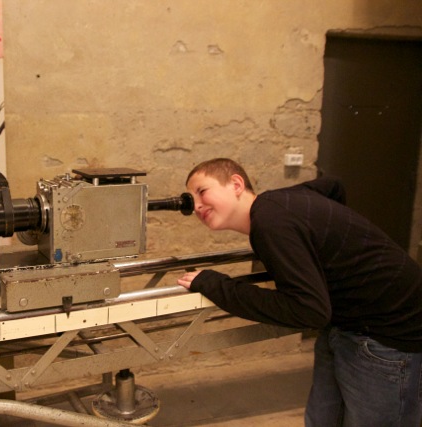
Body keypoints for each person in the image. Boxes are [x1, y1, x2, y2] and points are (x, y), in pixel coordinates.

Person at [177, 158, 422, 426]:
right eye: (192, 199)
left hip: (388, 332)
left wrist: (215, 285)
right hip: (345, 322)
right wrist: (331, 250)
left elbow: (308, 311)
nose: (196, 206)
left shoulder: (270, 222)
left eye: (202, 191)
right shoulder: (279, 201)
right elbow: (333, 186)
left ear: (236, 184)